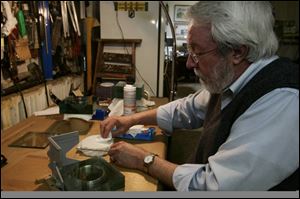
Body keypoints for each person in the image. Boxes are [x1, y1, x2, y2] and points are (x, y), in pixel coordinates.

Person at [100, 1, 299, 191]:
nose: (189, 64)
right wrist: (130, 119)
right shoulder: (231, 79)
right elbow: (187, 108)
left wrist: (144, 160)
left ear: (237, 52)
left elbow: (212, 187)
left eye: (197, 52)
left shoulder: (282, 100)